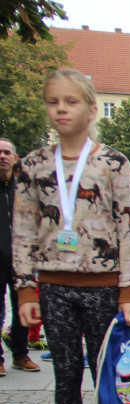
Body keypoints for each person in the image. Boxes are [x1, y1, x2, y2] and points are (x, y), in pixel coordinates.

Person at [12, 68, 130, 404]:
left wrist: (129, 287)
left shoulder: (113, 163)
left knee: (109, 375)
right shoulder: (32, 165)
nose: (61, 109)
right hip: (54, 286)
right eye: (54, 102)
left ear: (89, 108)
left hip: (104, 286)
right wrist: (25, 288)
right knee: (65, 375)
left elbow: (129, 227)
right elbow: (23, 228)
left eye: (71, 101)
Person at [0, 138, 41, 376]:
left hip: (21, 260)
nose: (2, 156)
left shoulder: (24, 189)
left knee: (23, 307)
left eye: (7, 152)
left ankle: (20, 354)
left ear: (15, 158)